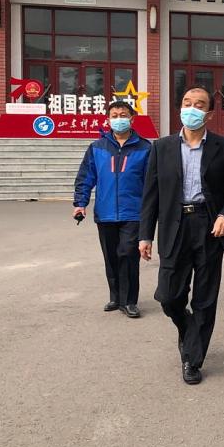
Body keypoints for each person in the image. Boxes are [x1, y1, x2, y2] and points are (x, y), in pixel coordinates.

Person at [138, 86, 224, 385]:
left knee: (205, 297)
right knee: (168, 295)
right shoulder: (161, 147)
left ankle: (193, 359)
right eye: (187, 103)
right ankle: (187, 327)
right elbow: (150, 194)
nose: (192, 108)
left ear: (209, 113)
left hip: (209, 225)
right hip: (173, 226)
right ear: (180, 108)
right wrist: (145, 235)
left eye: (199, 104)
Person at [73, 100, 152, 318]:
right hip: (105, 212)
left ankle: (129, 301)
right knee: (111, 256)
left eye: (123, 115)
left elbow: (151, 183)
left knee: (128, 254)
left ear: (132, 119)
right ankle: (116, 297)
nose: (119, 119)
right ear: (108, 120)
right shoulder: (97, 147)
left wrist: (153, 210)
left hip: (133, 213)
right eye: (114, 116)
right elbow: (86, 177)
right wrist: (80, 203)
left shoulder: (145, 148)